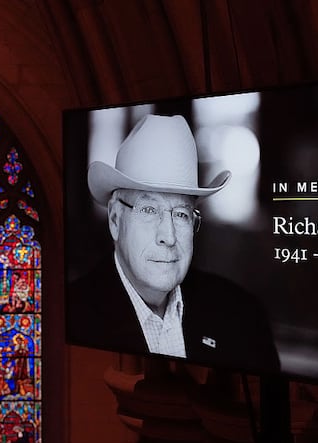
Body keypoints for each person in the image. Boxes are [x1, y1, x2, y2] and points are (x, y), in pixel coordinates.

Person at [68, 114, 280, 374]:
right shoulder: (69, 318)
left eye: (181, 214)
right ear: (114, 219)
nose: (168, 236)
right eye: (148, 210)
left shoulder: (243, 315)